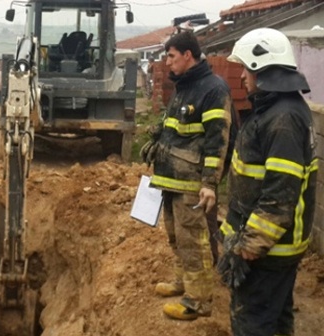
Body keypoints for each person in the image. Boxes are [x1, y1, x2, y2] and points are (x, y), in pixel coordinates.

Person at [222, 28, 316, 336]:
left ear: (262, 69)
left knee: (253, 323)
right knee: (275, 321)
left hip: (267, 253)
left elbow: (279, 197)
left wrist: (245, 249)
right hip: (272, 248)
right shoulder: (276, 111)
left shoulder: (283, 119)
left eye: (246, 69)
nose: (242, 78)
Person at [140, 31, 232, 320]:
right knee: (176, 236)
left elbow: (218, 141)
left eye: (171, 56)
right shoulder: (184, 87)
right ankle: (183, 282)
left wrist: (209, 184)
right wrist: (157, 143)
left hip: (191, 181)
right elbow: (176, 128)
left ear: (188, 56)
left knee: (193, 239)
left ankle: (199, 300)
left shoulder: (213, 89)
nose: (167, 63)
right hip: (170, 177)